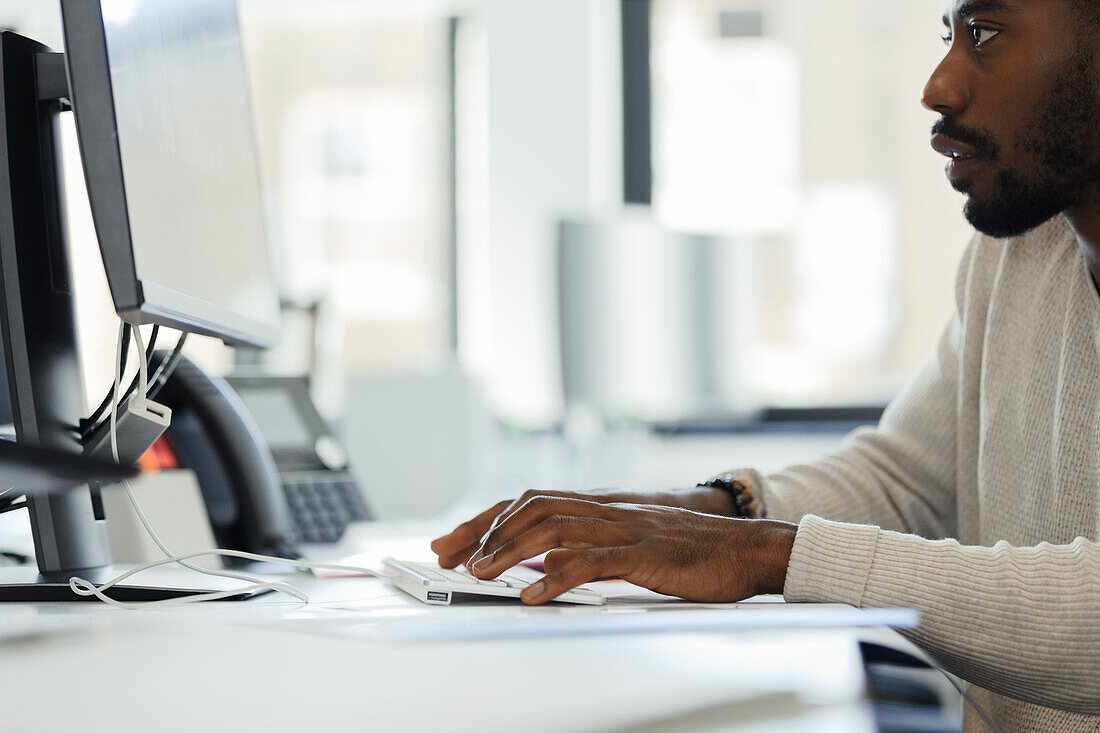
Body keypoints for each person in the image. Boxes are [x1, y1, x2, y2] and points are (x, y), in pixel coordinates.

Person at [431, 1, 1100, 730]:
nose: (939, 85)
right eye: (951, 35)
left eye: (986, 33)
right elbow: (906, 482)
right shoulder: (1017, 252)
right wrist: (702, 513)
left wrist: (769, 555)